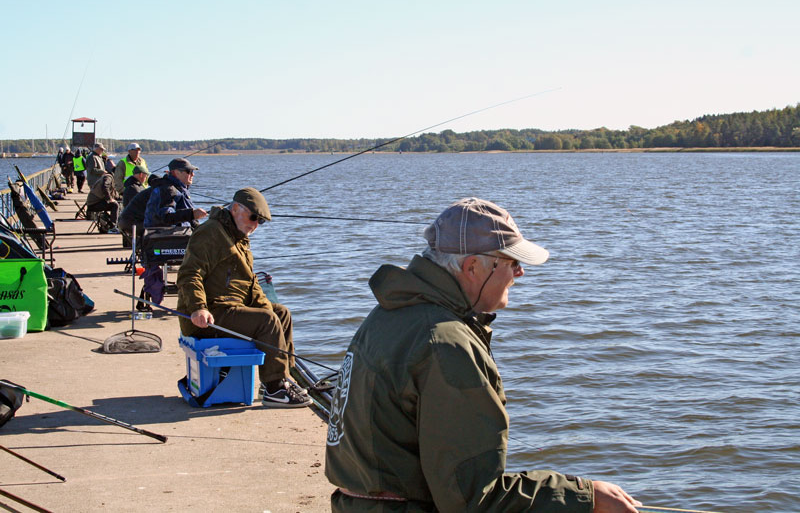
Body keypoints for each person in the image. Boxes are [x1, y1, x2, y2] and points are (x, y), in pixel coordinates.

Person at [324, 197, 641, 513]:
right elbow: (475, 501)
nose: (519, 274)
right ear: (473, 267)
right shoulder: (446, 343)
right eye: (511, 263)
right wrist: (586, 496)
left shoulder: (388, 314)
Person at [176, 188, 311, 408]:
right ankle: (275, 388)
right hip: (209, 315)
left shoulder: (238, 238)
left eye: (261, 222)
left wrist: (268, 309)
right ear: (236, 208)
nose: (255, 225)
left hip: (231, 310)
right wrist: (198, 308)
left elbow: (251, 286)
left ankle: (282, 378)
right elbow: (190, 273)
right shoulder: (211, 232)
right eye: (253, 217)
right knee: (267, 321)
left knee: (280, 314)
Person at [143, 158, 207, 228]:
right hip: (165, 235)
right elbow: (166, 217)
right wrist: (192, 214)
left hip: (181, 232)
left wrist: (199, 227)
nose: (193, 174)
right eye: (189, 171)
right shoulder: (168, 189)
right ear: (176, 172)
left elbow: (190, 220)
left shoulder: (181, 189)